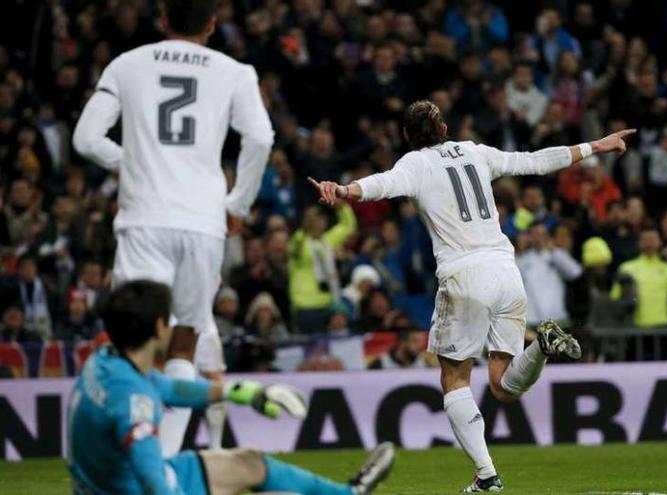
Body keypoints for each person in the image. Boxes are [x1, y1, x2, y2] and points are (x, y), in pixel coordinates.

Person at [309, 100, 634, 492]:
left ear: (407, 138)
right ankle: (542, 347)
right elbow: (534, 161)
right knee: (501, 385)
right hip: (506, 271)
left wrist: (341, 189)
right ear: (444, 130)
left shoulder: (415, 164)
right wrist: (594, 147)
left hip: (464, 275)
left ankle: (487, 475)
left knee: (454, 378)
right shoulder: (475, 152)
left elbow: (377, 186)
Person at [72, 0, 274, 456]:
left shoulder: (127, 64)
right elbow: (261, 139)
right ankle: (162, 462)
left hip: (145, 218)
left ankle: (122, 450)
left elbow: (85, 139)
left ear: (163, 21)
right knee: (186, 337)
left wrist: (130, 161)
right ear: (213, 24)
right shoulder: (235, 71)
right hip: (204, 222)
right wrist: (237, 203)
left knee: (132, 341)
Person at [67, 280, 394, 495]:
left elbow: (167, 389)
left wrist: (243, 392)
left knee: (250, 463)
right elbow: (152, 480)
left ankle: (349, 493)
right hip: (133, 488)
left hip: (109, 481)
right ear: (158, 327)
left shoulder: (105, 361)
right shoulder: (134, 403)